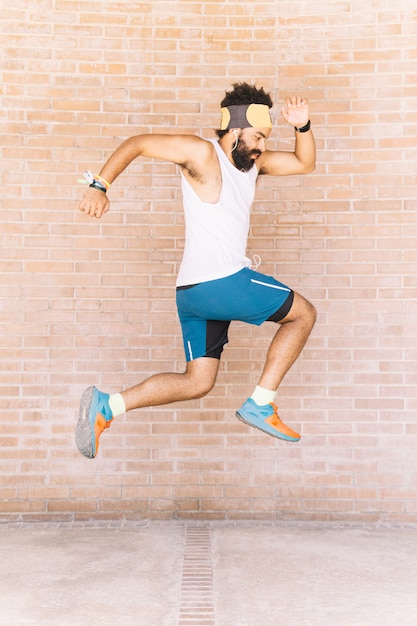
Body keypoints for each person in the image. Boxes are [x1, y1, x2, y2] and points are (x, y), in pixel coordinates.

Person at [75, 82, 317, 459]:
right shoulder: (202, 153)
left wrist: (302, 127)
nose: (263, 146)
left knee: (197, 381)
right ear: (235, 131)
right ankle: (262, 404)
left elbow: (304, 163)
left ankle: (108, 407)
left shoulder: (252, 166)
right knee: (303, 314)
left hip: (193, 294)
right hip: (223, 281)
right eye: (257, 137)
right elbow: (138, 142)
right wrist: (99, 186)